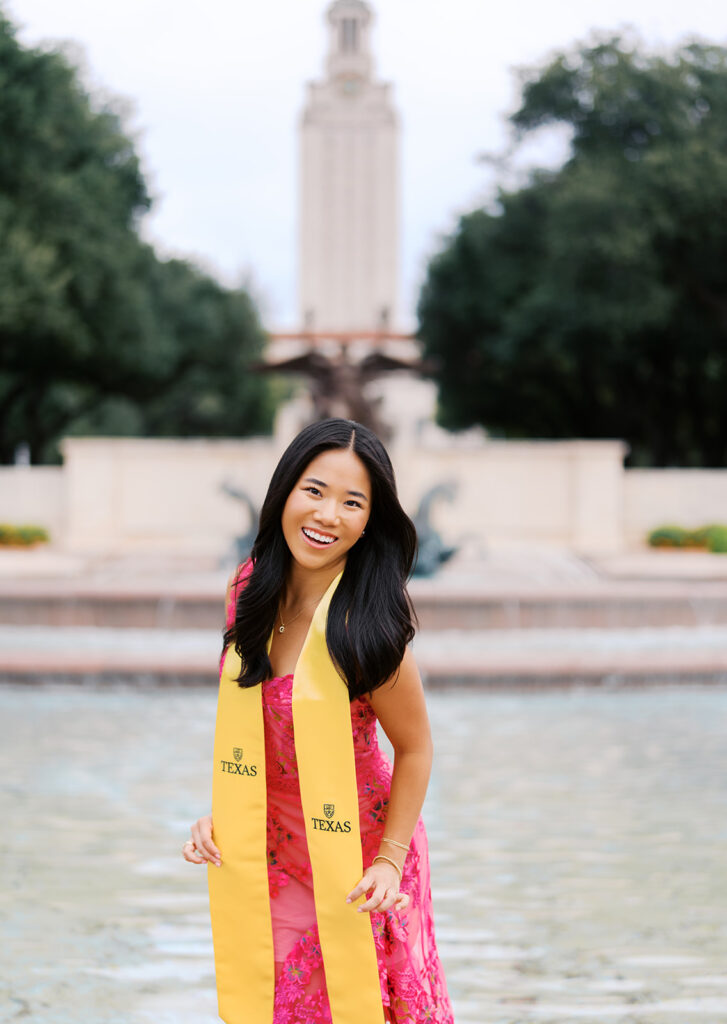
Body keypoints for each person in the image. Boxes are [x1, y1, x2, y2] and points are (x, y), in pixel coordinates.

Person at [183, 418, 453, 1024]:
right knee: (271, 1003)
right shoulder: (248, 593)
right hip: (271, 852)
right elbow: (252, 730)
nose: (328, 514)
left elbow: (415, 749)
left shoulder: (370, 628)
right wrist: (220, 817)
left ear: (369, 521)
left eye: (352, 502)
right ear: (284, 492)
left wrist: (388, 860)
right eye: (315, 490)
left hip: (359, 858)